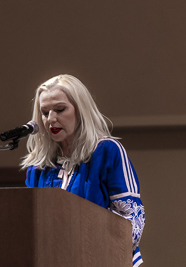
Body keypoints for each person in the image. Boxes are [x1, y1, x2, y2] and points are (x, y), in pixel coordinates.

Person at [21, 74, 145, 267]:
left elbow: (132, 221)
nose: (51, 119)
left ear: (81, 110)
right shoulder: (38, 167)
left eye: (60, 109)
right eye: (44, 113)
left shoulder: (106, 151)